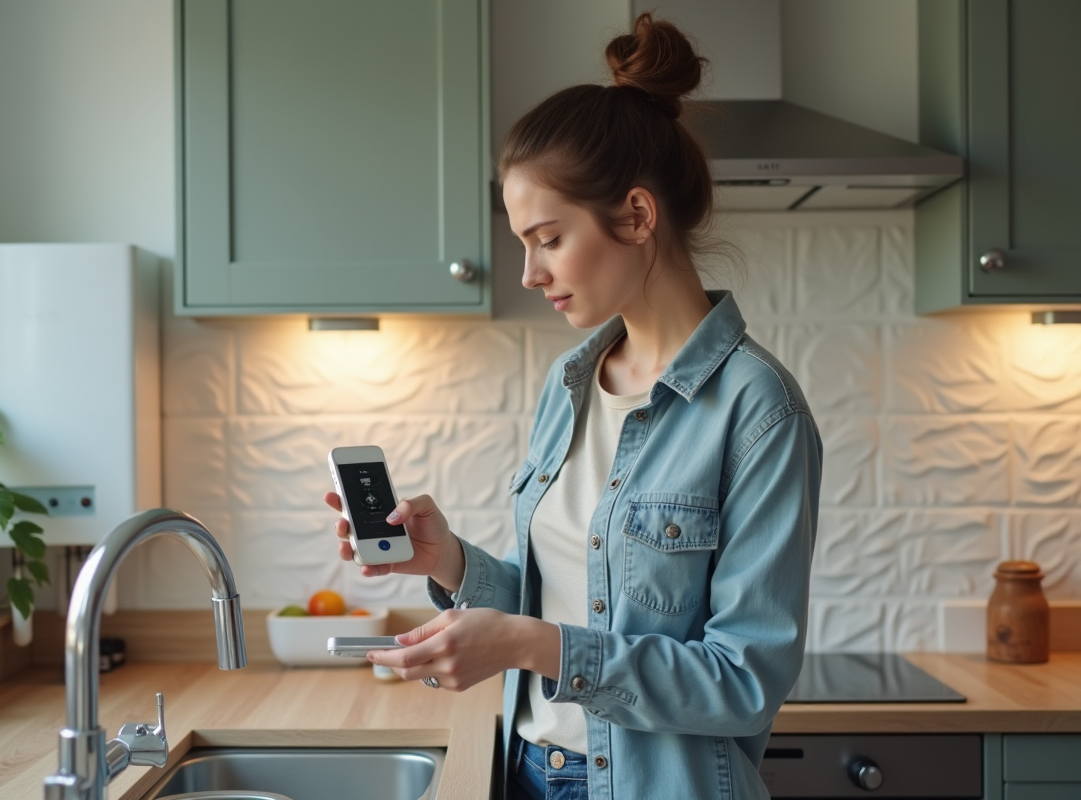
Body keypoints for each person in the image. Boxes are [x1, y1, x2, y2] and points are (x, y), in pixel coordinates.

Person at [324, 13, 822, 800]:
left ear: (637, 215)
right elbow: (558, 598)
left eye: (548, 238)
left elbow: (743, 683)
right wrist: (449, 562)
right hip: (529, 772)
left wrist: (532, 645)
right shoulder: (570, 382)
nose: (529, 272)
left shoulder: (759, 411)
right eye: (523, 241)